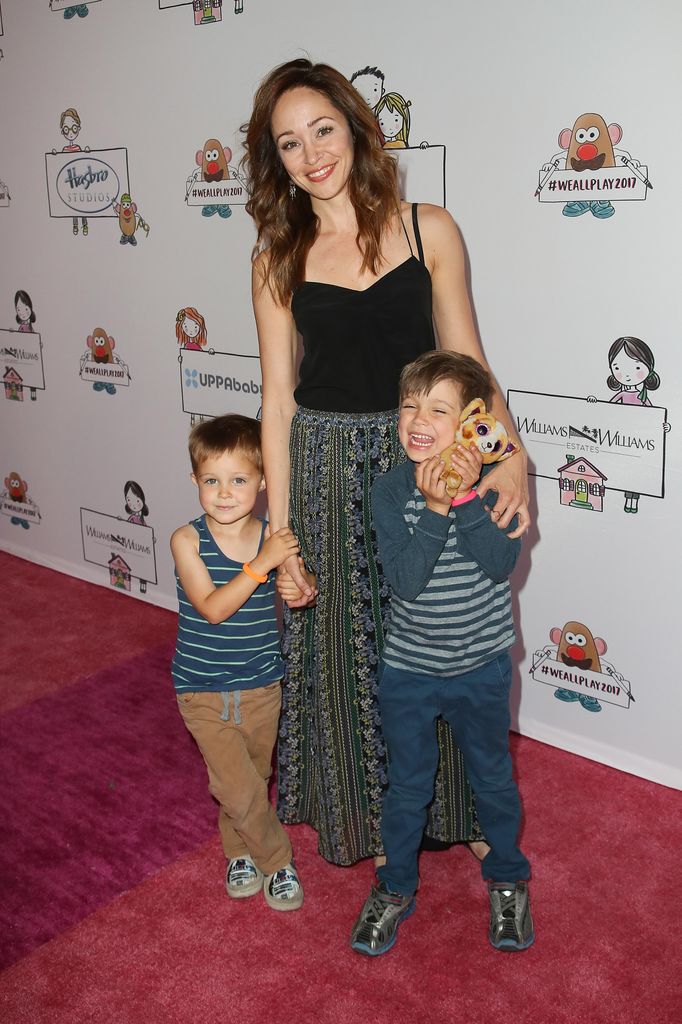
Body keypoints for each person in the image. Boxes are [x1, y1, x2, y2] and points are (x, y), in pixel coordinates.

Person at [243, 58, 530, 868]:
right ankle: (364, 817)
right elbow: (276, 402)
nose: (312, 154)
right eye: (289, 143)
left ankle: (459, 810)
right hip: (327, 464)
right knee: (346, 648)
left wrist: (507, 459)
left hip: (429, 461)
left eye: (322, 129)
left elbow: (468, 361)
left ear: (357, 127)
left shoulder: (426, 228)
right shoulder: (276, 258)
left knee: (443, 638)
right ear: (278, 161)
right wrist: (284, 534)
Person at [350, 351, 533, 955]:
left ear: (471, 422)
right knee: (406, 785)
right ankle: (395, 885)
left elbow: (502, 564)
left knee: (493, 779)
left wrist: (461, 499)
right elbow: (403, 581)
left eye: (438, 408)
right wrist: (431, 509)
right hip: (409, 670)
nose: (417, 418)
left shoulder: (497, 482)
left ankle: (507, 880)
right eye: (409, 406)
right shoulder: (389, 490)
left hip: (481, 666)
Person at [170, 414, 304, 910]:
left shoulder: (273, 535)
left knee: (251, 780)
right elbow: (213, 608)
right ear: (195, 482)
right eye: (211, 481)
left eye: (239, 480)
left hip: (263, 684)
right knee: (235, 784)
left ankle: (236, 852)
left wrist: (297, 584)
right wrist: (262, 564)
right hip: (201, 687)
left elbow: (297, 590)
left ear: (264, 481)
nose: (224, 493)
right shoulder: (186, 540)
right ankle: (277, 862)